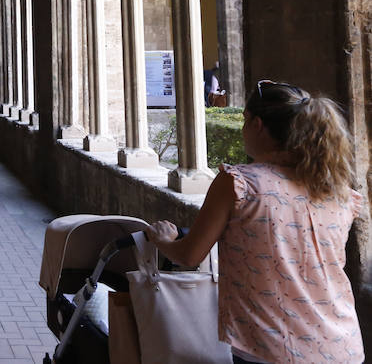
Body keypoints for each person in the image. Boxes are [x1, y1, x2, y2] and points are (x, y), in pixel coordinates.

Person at [146, 80, 365, 364]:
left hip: (273, 348)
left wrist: (163, 239)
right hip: (343, 346)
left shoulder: (240, 184)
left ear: (258, 125)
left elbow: (190, 255)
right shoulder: (338, 192)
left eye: (244, 120)